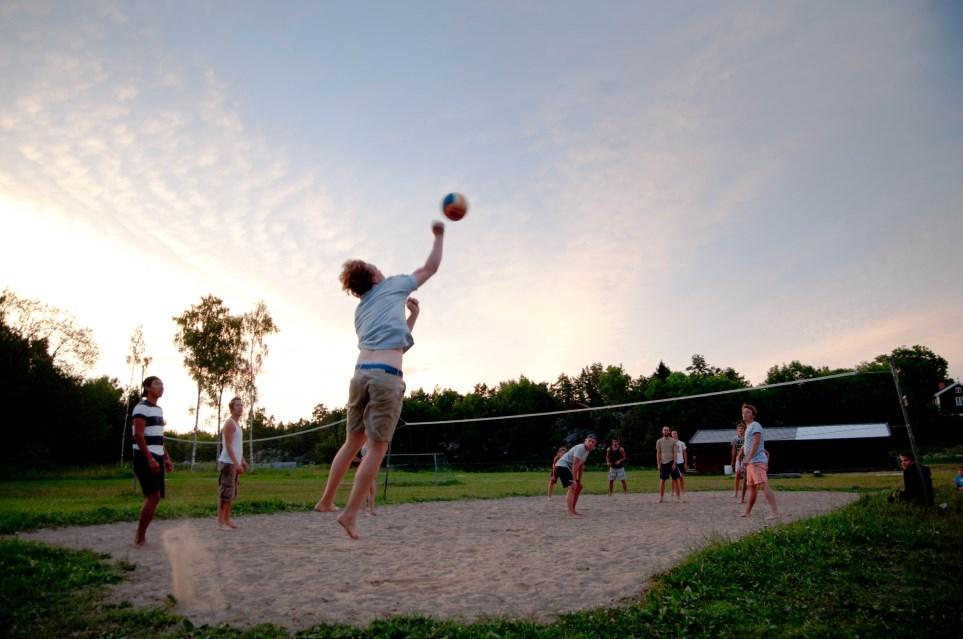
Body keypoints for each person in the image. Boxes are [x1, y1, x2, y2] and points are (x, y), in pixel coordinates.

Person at [314, 220, 445, 539]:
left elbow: (394, 342)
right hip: (386, 378)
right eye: (376, 267)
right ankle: (349, 515)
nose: (381, 269)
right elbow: (431, 267)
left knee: (352, 443)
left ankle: (326, 500)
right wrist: (439, 236)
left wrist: (412, 317)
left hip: (360, 375)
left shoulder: (361, 311)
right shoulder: (394, 286)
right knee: (376, 448)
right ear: (374, 277)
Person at [131, 376, 174, 547]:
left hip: (156, 456)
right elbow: (139, 435)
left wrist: (165, 458)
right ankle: (139, 536)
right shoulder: (141, 408)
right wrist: (149, 459)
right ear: (147, 388)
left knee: (155, 497)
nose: (161, 387)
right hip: (144, 456)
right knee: (153, 496)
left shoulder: (158, 409)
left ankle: (140, 534)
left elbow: (158, 438)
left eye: (162, 384)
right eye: (157, 384)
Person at [739, 404, 779, 519]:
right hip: (751, 462)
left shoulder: (755, 425)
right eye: (744, 412)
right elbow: (751, 444)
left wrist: (747, 458)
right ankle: (747, 512)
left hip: (757, 461)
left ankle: (774, 512)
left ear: (753, 415)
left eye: (748, 412)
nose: (745, 414)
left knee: (763, 485)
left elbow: (756, 443)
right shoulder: (748, 428)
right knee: (751, 487)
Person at [217, 396, 250, 530]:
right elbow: (228, 446)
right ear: (231, 408)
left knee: (231, 493)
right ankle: (221, 521)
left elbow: (237, 447)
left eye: (241, 405)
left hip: (234, 462)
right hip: (228, 462)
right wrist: (236, 464)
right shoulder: (229, 423)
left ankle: (227, 518)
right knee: (225, 493)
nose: (240, 408)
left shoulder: (237, 424)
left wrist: (243, 461)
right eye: (237, 405)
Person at [554, 434, 597, 516]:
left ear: (595, 444)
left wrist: (579, 481)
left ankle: (573, 510)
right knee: (572, 487)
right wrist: (574, 480)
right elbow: (574, 464)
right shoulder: (580, 448)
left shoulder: (587, 451)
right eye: (589, 441)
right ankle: (570, 512)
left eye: (593, 442)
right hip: (561, 466)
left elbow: (580, 466)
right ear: (585, 441)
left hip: (567, 468)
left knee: (578, 487)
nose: (591, 443)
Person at [655, 426, 681, 503]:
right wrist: (658, 464)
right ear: (662, 431)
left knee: (676, 480)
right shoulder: (659, 441)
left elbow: (675, 453)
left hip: (672, 462)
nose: (666, 431)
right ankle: (661, 498)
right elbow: (658, 453)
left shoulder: (673, 441)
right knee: (662, 480)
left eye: (667, 430)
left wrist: (674, 463)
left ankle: (678, 498)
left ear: (669, 432)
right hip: (663, 463)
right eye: (664, 430)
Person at [731, 422, 747, 502]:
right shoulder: (734, 439)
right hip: (738, 459)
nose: (740, 430)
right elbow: (733, 450)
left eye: (742, 429)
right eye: (739, 429)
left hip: (746, 458)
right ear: (737, 430)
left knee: (745, 476)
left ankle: (743, 493)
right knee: (737, 475)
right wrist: (733, 460)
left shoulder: (747, 438)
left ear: (745, 430)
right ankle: (735, 492)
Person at [671, 430, 687, 500]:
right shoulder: (670, 443)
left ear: (677, 434)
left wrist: (685, 463)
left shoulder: (681, 443)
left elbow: (685, 453)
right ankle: (673, 491)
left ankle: (682, 490)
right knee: (673, 478)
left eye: (675, 433)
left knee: (681, 477)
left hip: (680, 462)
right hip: (673, 462)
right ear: (671, 435)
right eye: (673, 434)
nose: (674, 435)